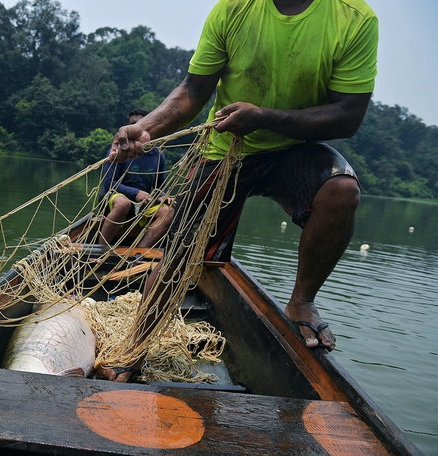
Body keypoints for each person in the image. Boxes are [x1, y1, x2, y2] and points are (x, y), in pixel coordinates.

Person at [102, 0, 378, 382]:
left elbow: (349, 114)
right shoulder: (234, 9)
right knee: (180, 253)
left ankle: (301, 301)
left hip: (293, 148)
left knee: (341, 190)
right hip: (226, 149)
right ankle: (136, 347)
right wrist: (147, 128)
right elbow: (193, 90)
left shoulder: (353, 18)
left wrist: (265, 118)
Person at [97, 109, 174, 248]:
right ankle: (99, 251)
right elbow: (108, 183)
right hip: (115, 198)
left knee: (167, 212)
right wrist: (135, 193)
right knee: (123, 204)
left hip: (143, 204)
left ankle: (138, 253)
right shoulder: (118, 151)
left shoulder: (157, 155)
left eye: (140, 124)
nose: (136, 126)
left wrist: (163, 196)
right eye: (133, 124)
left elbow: (161, 186)